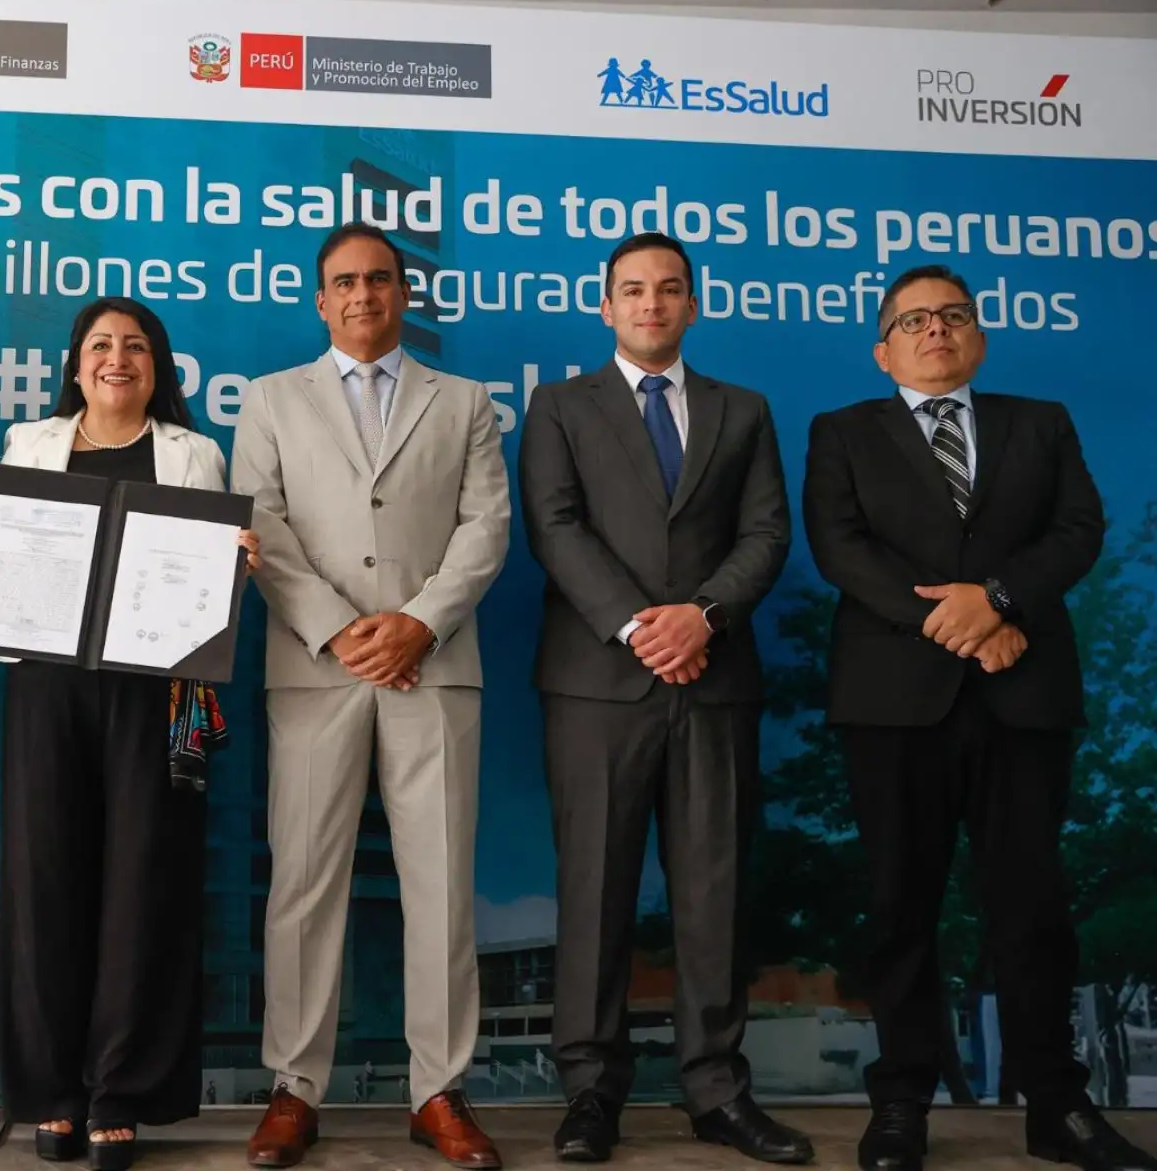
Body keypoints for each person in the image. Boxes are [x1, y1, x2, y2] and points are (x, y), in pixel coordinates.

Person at [803, 265, 1155, 1171]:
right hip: (895, 704)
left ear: (979, 337)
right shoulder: (841, 432)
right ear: (883, 350)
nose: (935, 331)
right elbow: (841, 547)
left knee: (1032, 906)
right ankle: (903, 1103)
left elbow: (1078, 529)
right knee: (899, 906)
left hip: (1024, 693)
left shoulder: (1040, 422)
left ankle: (1058, 1105)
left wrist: (997, 600)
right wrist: (956, 625)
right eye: (913, 320)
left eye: (952, 316)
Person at [0, 298, 259, 1171]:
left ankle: (119, 1092)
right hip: (46, 690)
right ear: (75, 366)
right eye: (100, 346)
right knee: (47, 880)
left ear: (160, 366)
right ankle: (52, 1094)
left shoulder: (196, 453)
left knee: (144, 881)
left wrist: (233, 571)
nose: (117, 358)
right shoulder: (28, 444)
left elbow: (207, 590)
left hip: (158, 689)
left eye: (135, 346)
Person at [230, 222, 511, 1170]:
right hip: (317, 666)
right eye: (344, 282)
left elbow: (486, 526)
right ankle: (293, 1087)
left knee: (439, 883)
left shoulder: (465, 400)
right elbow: (259, 520)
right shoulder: (270, 400)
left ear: (404, 293)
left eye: (380, 280)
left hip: (434, 663)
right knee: (304, 882)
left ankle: (439, 1088)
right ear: (320, 298)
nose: (363, 295)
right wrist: (342, 628)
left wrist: (418, 622)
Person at [518, 231, 801, 1164]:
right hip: (599, 679)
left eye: (669, 290)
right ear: (604, 306)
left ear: (692, 305)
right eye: (632, 290)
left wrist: (703, 618)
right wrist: (644, 625)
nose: (651, 304)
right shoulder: (559, 406)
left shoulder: (744, 409)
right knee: (593, 886)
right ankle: (592, 1092)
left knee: (712, 890)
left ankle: (718, 1092)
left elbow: (766, 531)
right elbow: (555, 527)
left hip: (715, 681)